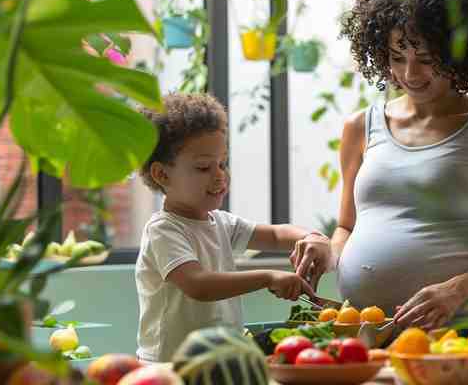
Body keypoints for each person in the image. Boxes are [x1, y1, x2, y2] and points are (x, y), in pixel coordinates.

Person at [334, 0, 468, 341]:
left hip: (456, 335)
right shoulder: (359, 127)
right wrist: (326, 250)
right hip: (364, 334)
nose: (410, 74)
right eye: (396, 58)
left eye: (426, 59)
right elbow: (345, 227)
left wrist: (454, 290)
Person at [135, 93, 332, 362]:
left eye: (222, 163)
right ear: (162, 175)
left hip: (220, 361)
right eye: (204, 167)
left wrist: (313, 237)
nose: (220, 175)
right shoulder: (164, 230)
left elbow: (275, 235)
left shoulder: (221, 222)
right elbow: (199, 285)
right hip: (170, 367)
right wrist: (268, 277)